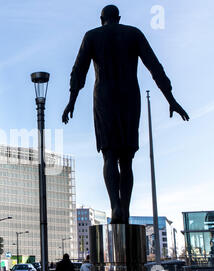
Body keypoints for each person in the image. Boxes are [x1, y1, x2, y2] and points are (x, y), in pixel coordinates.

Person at [62, 5, 189, 224]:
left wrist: (71, 101)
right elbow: (155, 67)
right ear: (118, 18)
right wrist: (171, 100)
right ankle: (126, 209)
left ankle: (115, 205)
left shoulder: (92, 36)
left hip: (104, 97)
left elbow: (78, 71)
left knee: (109, 155)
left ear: (101, 19)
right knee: (127, 159)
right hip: (130, 97)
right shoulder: (133, 33)